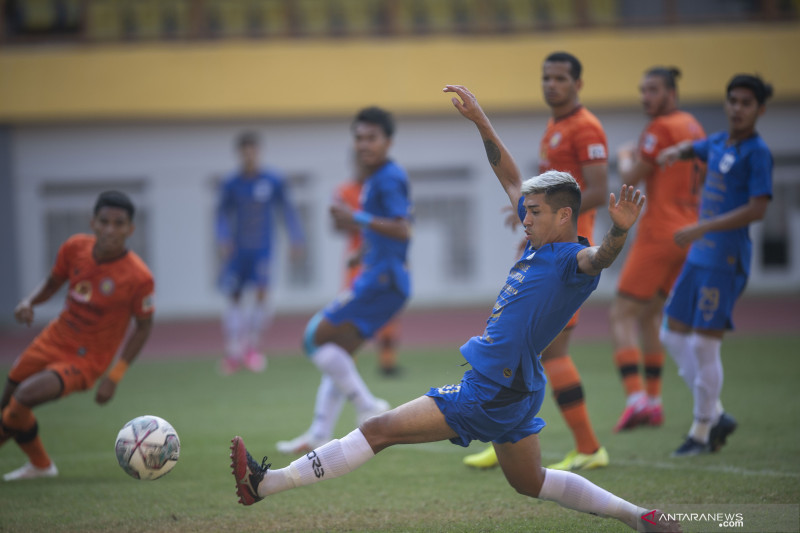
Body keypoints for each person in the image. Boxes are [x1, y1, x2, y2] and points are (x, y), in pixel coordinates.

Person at [230, 86, 680, 533]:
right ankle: (639, 518)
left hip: (492, 389)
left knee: (378, 429)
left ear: (564, 217)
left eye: (536, 212)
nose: (524, 217)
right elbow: (508, 177)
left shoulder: (571, 259)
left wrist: (619, 232)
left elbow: (600, 257)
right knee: (532, 481)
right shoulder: (539, 243)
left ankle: (265, 484)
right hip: (516, 388)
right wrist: (480, 120)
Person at [464, 51, 609, 471]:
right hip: (544, 249)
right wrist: (532, 216)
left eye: (560, 78)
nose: (551, 85)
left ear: (577, 83)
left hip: (565, 257)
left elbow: (595, 189)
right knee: (530, 349)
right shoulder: (555, 127)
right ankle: (507, 435)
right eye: (546, 77)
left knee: (552, 351)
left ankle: (587, 446)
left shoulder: (585, 127)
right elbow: (515, 180)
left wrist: (548, 219)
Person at [275, 106, 412, 455]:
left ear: (388, 141)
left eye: (372, 138)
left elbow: (402, 227)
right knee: (339, 355)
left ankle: (367, 405)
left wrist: (357, 218)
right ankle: (320, 433)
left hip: (382, 280)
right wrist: (363, 249)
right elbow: (383, 227)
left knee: (314, 338)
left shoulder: (388, 178)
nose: (364, 144)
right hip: (383, 276)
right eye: (359, 138)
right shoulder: (375, 178)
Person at [656, 74, 773, 457]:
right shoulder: (721, 142)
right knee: (671, 334)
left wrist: (704, 225)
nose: (737, 108)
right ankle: (718, 412)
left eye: (746, 103)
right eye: (733, 101)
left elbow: (758, 208)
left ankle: (701, 432)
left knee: (705, 345)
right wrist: (677, 151)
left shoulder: (758, 152)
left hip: (724, 259)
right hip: (699, 255)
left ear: (760, 109)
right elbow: (699, 148)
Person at [1, 191, 155, 481]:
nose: (110, 229)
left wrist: (114, 376)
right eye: (104, 221)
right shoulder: (74, 248)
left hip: (87, 360)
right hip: (52, 339)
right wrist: (29, 302)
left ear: (130, 229)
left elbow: (144, 327)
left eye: (118, 223)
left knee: (23, 398)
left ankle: (41, 466)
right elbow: (52, 281)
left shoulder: (139, 276)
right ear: (93, 222)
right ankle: (42, 466)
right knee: (7, 402)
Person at [610, 67, 706, 432]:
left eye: (652, 90)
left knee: (620, 315)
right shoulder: (693, 126)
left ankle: (636, 399)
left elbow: (630, 177)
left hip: (659, 233)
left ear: (671, 92)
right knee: (650, 315)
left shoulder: (660, 129)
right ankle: (654, 401)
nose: (644, 97)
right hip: (687, 232)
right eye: (642, 90)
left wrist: (623, 156)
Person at [215, 131, 305, 375]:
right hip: (238, 250)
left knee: (262, 296)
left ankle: (252, 348)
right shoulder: (232, 183)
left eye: (252, 150)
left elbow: (287, 209)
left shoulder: (273, 180)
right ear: (239, 153)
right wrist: (223, 238)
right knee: (234, 296)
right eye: (244, 151)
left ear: (258, 151)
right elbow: (222, 214)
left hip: (263, 250)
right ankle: (233, 351)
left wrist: (296, 237)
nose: (249, 155)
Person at [334, 161, 402, 377]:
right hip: (357, 260)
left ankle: (387, 364)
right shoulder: (344, 191)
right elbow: (336, 223)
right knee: (352, 311)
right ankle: (346, 363)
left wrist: (363, 220)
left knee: (388, 310)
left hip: (382, 258)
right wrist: (367, 222)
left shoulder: (383, 188)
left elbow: (396, 223)